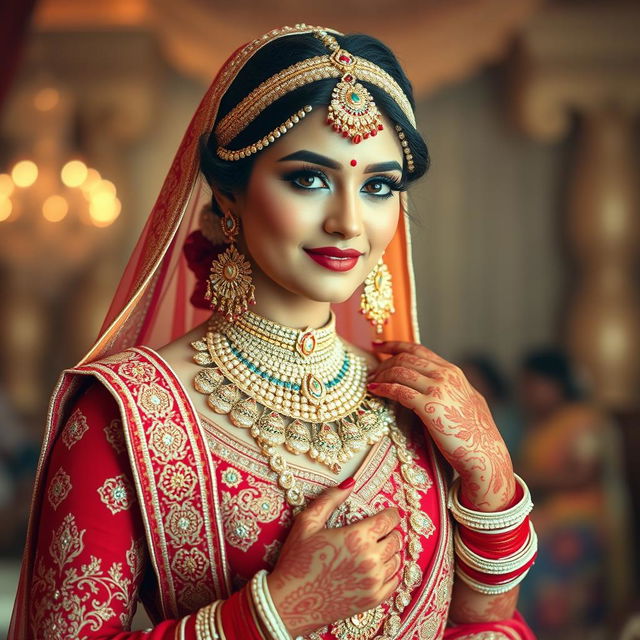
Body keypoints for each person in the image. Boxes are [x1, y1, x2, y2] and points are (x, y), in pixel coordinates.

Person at [9, 25, 537, 639]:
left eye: (378, 187)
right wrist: (281, 609)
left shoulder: (420, 402)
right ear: (229, 195)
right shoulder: (125, 412)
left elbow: (483, 627)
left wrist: (492, 474)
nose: (347, 221)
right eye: (308, 179)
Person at [516, 348, 631, 638]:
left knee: (528, 562)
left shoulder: (581, 420)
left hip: (580, 519)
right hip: (548, 514)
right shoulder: (541, 424)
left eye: (534, 384)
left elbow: (584, 473)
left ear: (556, 384)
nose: (528, 393)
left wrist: (526, 477)